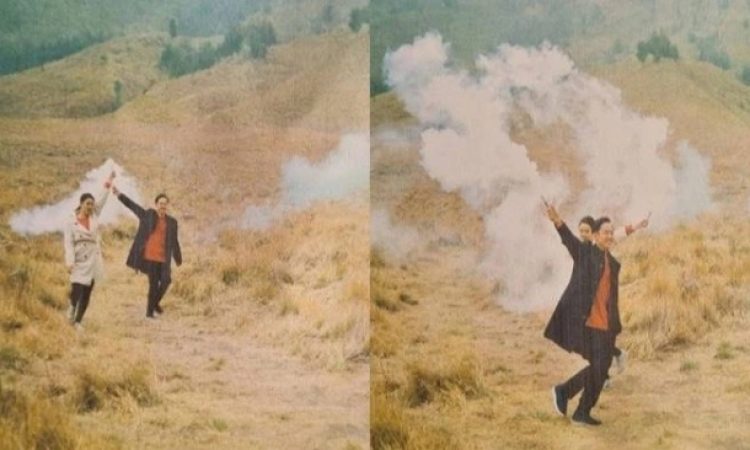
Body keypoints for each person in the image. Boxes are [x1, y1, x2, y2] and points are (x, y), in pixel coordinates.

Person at [544, 206, 623, 426]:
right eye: (605, 232)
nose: (609, 235)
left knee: (601, 368)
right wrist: (558, 221)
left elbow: (611, 300)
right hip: (587, 324)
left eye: (611, 232)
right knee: (599, 367)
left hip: (606, 326)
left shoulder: (614, 265)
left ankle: (578, 408)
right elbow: (570, 240)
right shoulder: (586, 253)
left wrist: (615, 326)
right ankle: (570, 398)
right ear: (596, 235)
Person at [576, 214, 649, 380]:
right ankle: (613, 359)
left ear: (593, 233)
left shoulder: (602, 245)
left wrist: (636, 226)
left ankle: (604, 375)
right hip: (587, 307)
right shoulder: (581, 249)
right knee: (589, 345)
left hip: (604, 306)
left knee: (602, 342)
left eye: (587, 231)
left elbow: (617, 234)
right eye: (581, 231)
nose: (584, 234)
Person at [112, 186, 182, 319]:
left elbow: (174, 242)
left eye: (165, 204)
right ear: (156, 205)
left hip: (163, 258)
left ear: (167, 206)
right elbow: (133, 206)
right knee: (154, 284)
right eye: (160, 203)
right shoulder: (148, 215)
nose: (162, 206)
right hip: (150, 257)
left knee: (166, 281)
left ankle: (154, 304)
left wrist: (178, 258)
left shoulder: (172, 222)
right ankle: (149, 313)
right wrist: (119, 195)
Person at [63, 172, 115, 330]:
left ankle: (78, 321)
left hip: (93, 258)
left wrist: (110, 179)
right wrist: (70, 262)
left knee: (87, 290)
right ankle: (72, 307)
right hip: (79, 258)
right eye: (87, 204)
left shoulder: (94, 215)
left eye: (92, 204)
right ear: (81, 204)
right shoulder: (70, 221)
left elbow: (102, 197)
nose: (90, 207)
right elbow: (68, 243)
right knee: (77, 288)